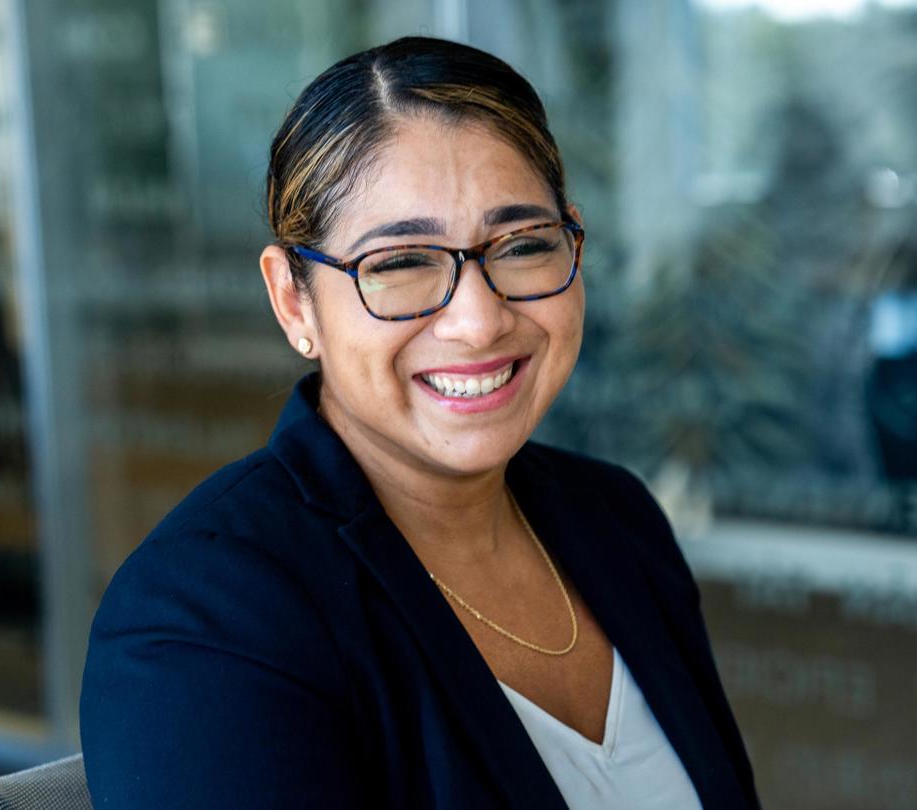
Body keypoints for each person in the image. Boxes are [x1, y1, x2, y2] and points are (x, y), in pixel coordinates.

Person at [79, 36, 759, 809]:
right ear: (294, 302)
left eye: (522, 245)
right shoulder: (202, 619)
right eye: (400, 263)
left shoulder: (616, 520)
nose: (478, 320)